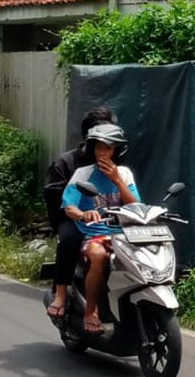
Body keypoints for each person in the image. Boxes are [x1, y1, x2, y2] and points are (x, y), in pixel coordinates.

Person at [63, 123, 141, 335]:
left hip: (123, 236)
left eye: (107, 148)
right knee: (98, 255)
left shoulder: (123, 174)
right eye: (99, 147)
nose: (102, 153)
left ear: (116, 150)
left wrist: (116, 180)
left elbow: (136, 207)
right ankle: (91, 311)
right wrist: (83, 214)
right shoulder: (83, 174)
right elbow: (69, 206)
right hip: (94, 235)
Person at [43, 107, 115, 321]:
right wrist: (78, 212)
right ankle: (61, 293)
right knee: (69, 239)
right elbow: (55, 197)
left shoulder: (115, 163)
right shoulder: (67, 163)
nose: (105, 149)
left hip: (105, 217)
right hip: (72, 217)